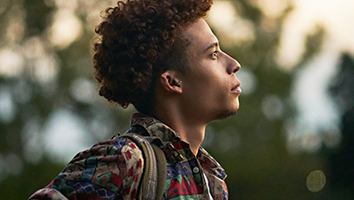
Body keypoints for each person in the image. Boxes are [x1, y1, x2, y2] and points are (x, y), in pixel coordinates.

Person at [29, 0, 241, 199]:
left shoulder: (211, 178)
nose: (233, 64)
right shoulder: (126, 160)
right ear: (173, 82)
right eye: (213, 54)